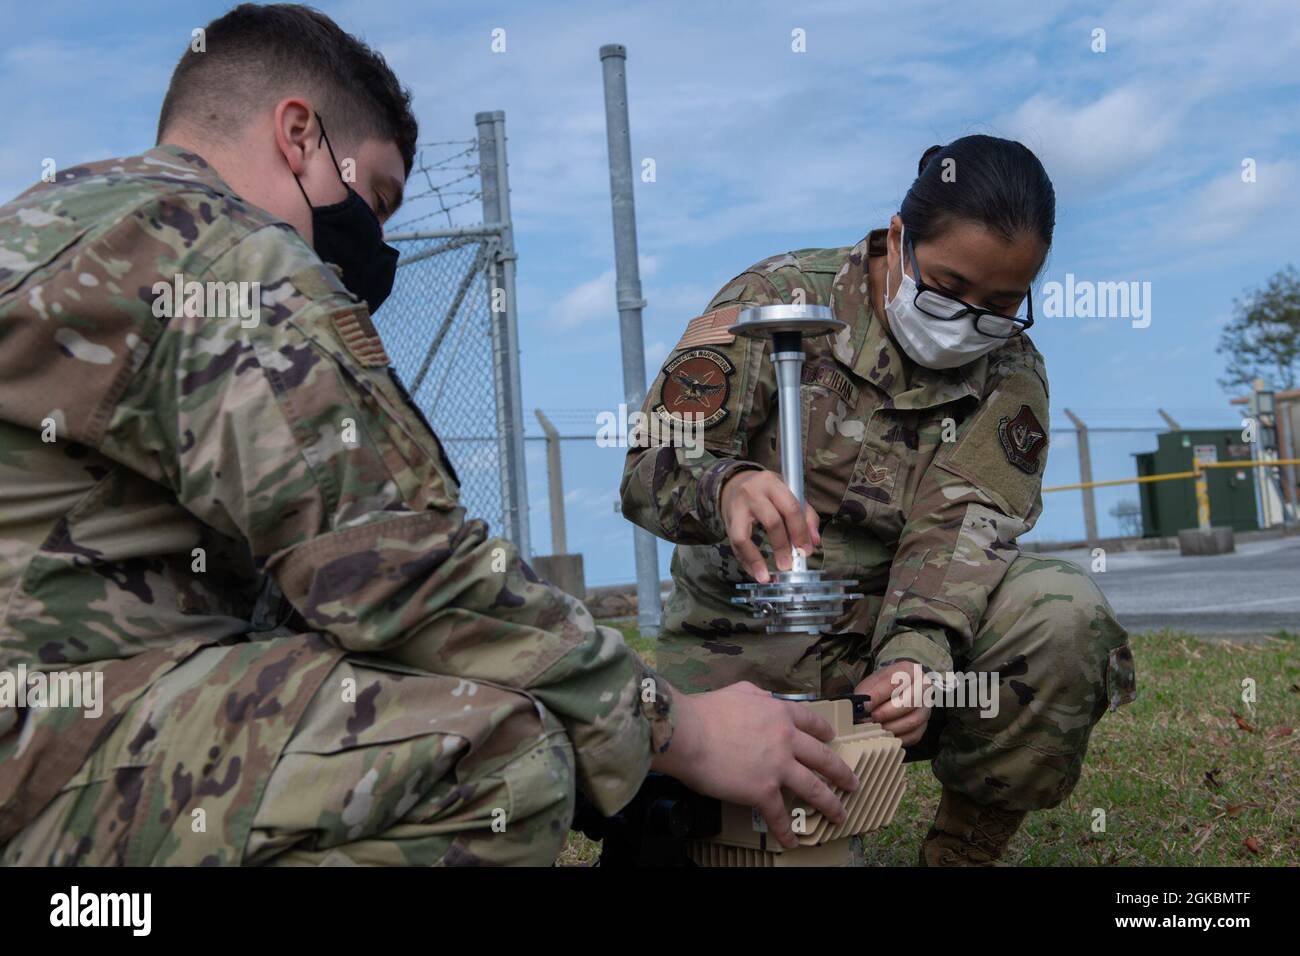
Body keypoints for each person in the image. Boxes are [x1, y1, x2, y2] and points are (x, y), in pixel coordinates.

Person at [0, 3, 857, 866]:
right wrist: (687, 728)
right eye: (373, 196)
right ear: (298, 134)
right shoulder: (223, 256)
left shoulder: (55, 223)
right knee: (497, 753)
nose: (371, 238)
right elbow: (400, 572)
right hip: (45, 747)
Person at [621, 135, 1138, 866]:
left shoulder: (1011, 369)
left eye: (1000, 306)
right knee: (710, 831)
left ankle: (964, 851)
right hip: (746, 643)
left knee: (1060, 613)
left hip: (901, 647)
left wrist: (917, 660)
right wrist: (725, 484)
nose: (967, 323)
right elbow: (649, 465)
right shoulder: (771, 298)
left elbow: (964, 530)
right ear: (897, 240)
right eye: (949, 289)